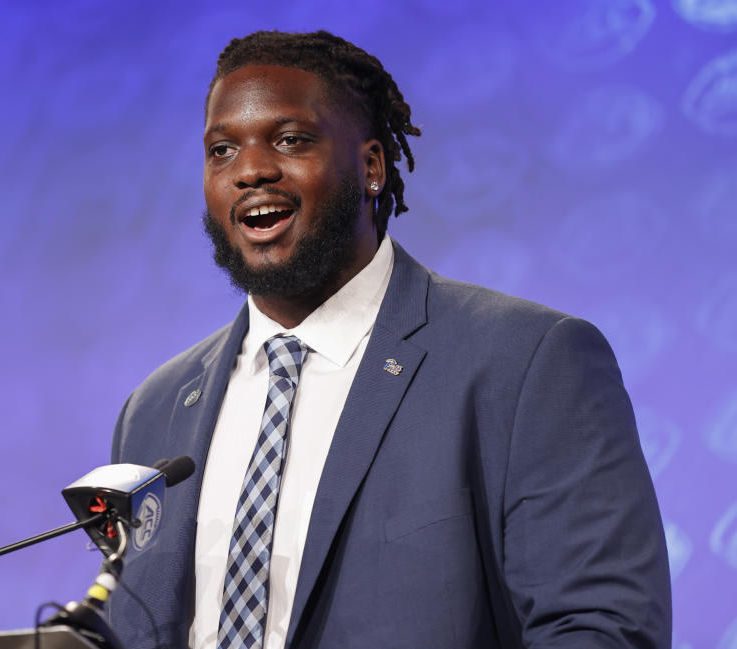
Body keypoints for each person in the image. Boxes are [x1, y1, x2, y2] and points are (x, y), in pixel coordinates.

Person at [106, 30, 671, 649]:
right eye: (221, 150)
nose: (251, 170)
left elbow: (601, 629)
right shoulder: (154, 411)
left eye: (290, 140)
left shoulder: (526, 362)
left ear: (372, 166)